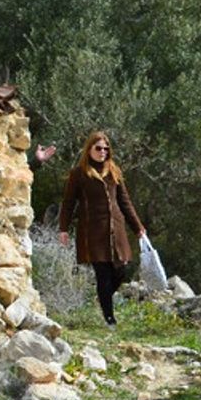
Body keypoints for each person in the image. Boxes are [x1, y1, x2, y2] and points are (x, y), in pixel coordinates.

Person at [57, 130, 146, 327]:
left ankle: (103, 297)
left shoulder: (114, 171)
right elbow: (68, 203)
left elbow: (125, 202)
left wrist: (138, 227)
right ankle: (109, 319)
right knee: (103, 273)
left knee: (121, 270)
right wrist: (63, 228)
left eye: (106, 148)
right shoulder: (79, 174)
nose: (103, 152)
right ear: (89, 149)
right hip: (92, 233)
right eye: (98, 148)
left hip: (117, 230)